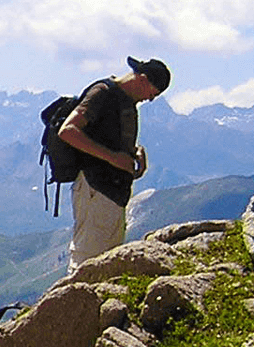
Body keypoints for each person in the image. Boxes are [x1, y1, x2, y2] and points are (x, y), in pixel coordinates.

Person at [59, 57, 171, 272]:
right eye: (152, 93)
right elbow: (68, 131)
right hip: (95, 187)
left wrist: (135, 151)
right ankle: (70, 301)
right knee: (87, 258)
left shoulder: (125, 100)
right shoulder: (102, 93)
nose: (150, 99)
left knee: (105, 260)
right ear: (142, 79)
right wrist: (112, 157)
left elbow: (107, 136)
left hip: (112, 190)